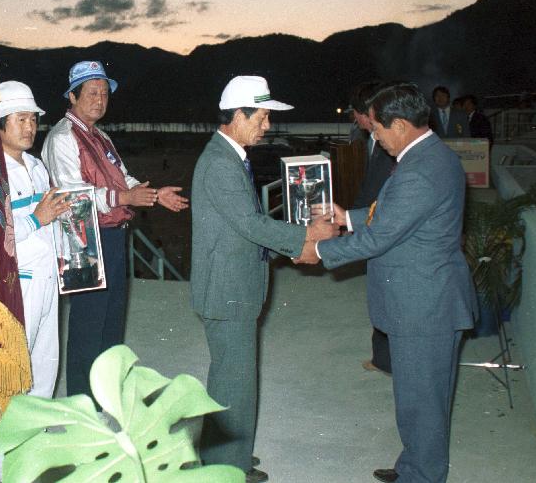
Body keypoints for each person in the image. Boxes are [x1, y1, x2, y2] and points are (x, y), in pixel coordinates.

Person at [300, 82, 477, 483]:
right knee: (417, 400)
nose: (374, 137)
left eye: (376, 129)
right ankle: (413, 466)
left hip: (423, 306)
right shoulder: (430, 157)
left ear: (399, 125)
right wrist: (349, 217)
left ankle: (422, 475)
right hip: (424, 300)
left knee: (422, 403)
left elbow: (384, 235)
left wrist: (320, 252)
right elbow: (398, 215)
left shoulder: (420, 170)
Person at [191, 75, 339, 483]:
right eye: (262, 117)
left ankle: (231, 457)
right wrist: (306, 237)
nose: (267, 125)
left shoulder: (230, 156)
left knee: (236, 381)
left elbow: (244, 230)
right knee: (231, 383)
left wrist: (293, 244)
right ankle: (224, 470)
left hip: (234, 287)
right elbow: (250, 223)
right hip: (226, 292)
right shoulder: (221, 163)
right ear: (238, 115)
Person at [42, 60, 188, 399]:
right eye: (92, 93)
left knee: (111, 324)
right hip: (83, 238)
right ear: (73, 96)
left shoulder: (101, 136)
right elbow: (73, 195)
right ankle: (83, 404)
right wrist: (125, 196)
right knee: (88, 326)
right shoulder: (62, 137)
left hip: (113, 236)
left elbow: (124, 178)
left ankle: (106, 396)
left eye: (104, 94)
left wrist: (152, 195)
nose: (99, 100)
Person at [0, 80, 70, 480]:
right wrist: (37, 218)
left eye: (34, 119)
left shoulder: (35, 165)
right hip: (13, 287)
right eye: (21, 119)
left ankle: (33, 445)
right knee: (8, 373)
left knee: (44, 364)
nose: (31, 127)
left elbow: (52, 219)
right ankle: (2, 466)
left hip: (47, 278)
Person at [348, 81, 395, 375]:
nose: (355, 120)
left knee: (386, 293)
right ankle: (382, 358)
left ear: (367, 113)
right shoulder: (373, 141)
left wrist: (352, 221)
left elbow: (378, 191)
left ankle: (386, 360)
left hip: (379, 224)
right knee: (379, 292)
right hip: (369, 219)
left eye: (356, 113)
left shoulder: (388, 145)